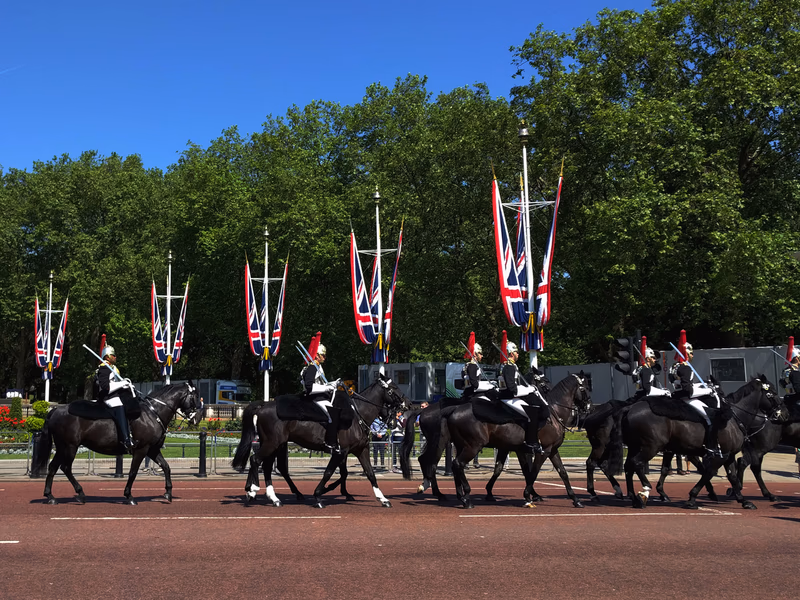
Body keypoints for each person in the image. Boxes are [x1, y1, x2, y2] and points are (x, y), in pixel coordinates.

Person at [669, 342, 723, 458]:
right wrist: (708, 391)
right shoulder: (686, 368)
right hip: (686, 399)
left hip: (676, 395)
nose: (693, 356)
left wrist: (702, 386)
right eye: (691, 353)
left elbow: (683, 385)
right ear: (686, 354)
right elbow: (689, 390)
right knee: (710, 417)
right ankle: (711, 447)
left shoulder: (674, 367)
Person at [498, 342, 547, 455]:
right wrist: (528, 390)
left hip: (509, 396)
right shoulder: (509, 367)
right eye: (516, 352)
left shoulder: (509, 366)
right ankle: (531, 443)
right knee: (532, 413)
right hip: (509, 398)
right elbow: (512, 389)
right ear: (511, 353)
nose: (518, 354)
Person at [301, 344, 342, 453]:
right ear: (317, 356)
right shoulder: (312, 367)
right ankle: (330, 443)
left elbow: (322, 383)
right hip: (316, 398)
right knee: (332, 415)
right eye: (323, 355)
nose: (324, 357)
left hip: (320, 397)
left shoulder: (317, 366)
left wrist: (333, 384)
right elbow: (309, 387)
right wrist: (327, 387)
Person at [94, 346, 135, 454]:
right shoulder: (104, 368)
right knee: (120, 406)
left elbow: (116, 384)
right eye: (113, 355)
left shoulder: (113, 368)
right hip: (109, 397)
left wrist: (126, 386)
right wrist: (122, 383)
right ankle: (126, 439)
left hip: (116, 395)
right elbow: (105, 387)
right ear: (107, 357)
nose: (115, 357)